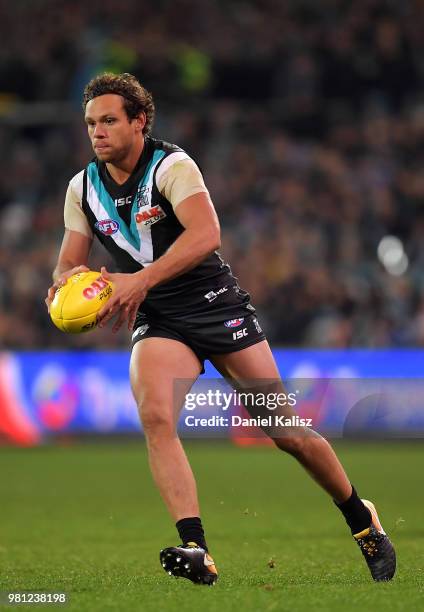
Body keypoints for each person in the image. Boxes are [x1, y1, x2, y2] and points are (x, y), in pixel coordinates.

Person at [45, 72, 396, 585]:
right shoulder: (81, 188)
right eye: (91, 123)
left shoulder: (172, 165)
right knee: (157, 417)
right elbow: (68, 264)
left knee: (288, 433)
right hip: (160, 317)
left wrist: (138, 280)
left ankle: (363, 522)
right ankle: (196, 549)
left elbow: (207, 234)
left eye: (109, 121)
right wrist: (65, 290)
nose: (97, 132)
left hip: (215, 304)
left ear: (139, 122)